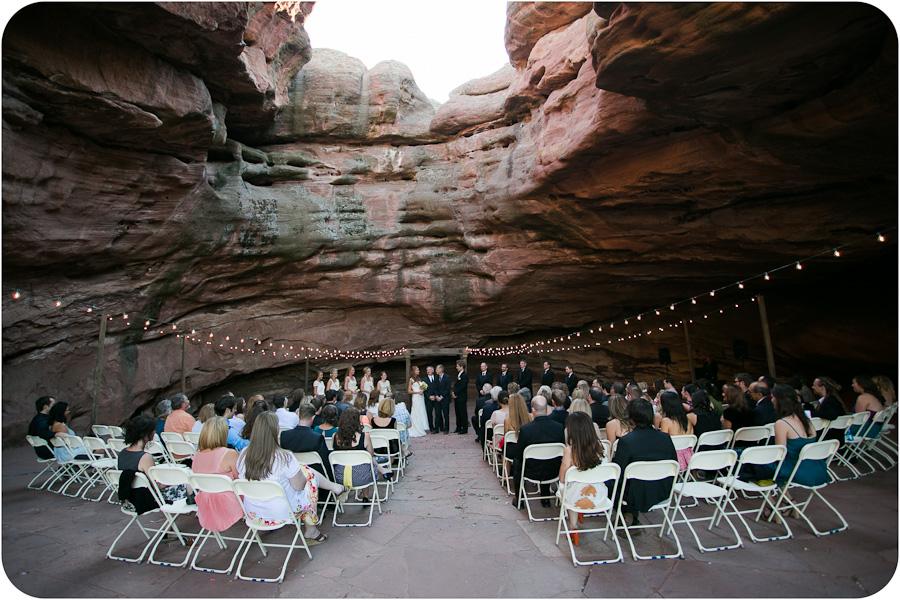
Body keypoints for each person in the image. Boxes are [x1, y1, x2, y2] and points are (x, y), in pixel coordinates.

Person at [237, 412, 342, 544]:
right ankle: (311, 530)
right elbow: (299, 487)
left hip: (254, 513)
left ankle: (335, 487)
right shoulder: (284, 457)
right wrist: (304, 476)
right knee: (310, 480)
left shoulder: (243, 455)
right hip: (281, 512)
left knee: (304, 470)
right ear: (275, 430)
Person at [613, 399, 677, 528]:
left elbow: (618, 472)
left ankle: (627, 512)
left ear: (631, 418)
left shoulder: (626, 441)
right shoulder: (665, 438)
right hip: (662, 489)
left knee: (610, 482)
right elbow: (674, 464)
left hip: (634, 494)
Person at [118, 415, 189, 513]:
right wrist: (175, 480)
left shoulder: (122, 453)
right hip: (149, 499)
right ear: (146, 434)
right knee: (190, 485)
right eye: (152, 430)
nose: (154, 432)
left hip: (131, 498)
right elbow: (157, 485)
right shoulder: (145, 457)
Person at [764, 384, 829, 488]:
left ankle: (774, 494)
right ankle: (781, 495)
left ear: (779, 400)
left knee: (754, 464)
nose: (771, 400)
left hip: (796, 470)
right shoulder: (806, 420)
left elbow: (779, 454)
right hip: (817, 469)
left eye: (772, 397)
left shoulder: (782, 423)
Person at [558, 411, 607, 545]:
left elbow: (562, 478)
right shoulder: (601, 447)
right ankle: (579, 516)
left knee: (567, 489)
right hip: (600, 497)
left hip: (575, 498)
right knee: (576, 488)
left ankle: (573, 526)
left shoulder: (569, 450)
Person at [509, 395, 564, 508]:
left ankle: (519, 499)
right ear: (547, 409)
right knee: (548, 458)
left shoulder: (526, 430)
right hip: (554, 471)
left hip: (531, 471)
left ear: (533, 410)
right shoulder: (558, 428)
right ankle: (545, 499)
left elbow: (519, 454)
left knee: (517, 461)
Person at [191, 416, 243, 531]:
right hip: (229, 504)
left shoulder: (197, 456)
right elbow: (239, 479)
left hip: (205, 503)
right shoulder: (229, 454)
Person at [331, 408, 392, 491]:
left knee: (365, 461)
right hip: (362, 478)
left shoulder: (335, 436)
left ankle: (382, 470)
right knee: (367, 460)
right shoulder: (365, 436)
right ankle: (365, 496)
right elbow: (371, 454)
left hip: (340, 477)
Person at [280, 403, 331, 479]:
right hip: (314, 476)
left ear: (298, 415)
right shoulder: (317, 438)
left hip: (292, 476)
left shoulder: (284, 435)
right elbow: (325, 462)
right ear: (313, 418)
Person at [657, 391, 695, 471]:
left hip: (673, 459)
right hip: (689, 458)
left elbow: (663, 442)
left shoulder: (666, 421)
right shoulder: (688, 419)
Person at [408, 366, 428, 438]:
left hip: (421, 397)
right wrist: (417, 392)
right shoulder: (411, 379)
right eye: (417, 370)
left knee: (421, 411)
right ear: (413, 371)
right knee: (416, 411)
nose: (419, 371)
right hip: (416, 397)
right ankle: (416, 427)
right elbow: (409, 391)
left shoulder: (419, 378)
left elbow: (421, 387)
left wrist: (423, 389)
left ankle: (422, 426)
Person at [433, 364, 451, 434]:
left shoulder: (447, 377)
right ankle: (436, 429)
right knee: (437, 414)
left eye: (437, 369)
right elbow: (435, 388)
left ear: (441, 369)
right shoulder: (436, 377)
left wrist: (441, 396)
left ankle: (446, 429)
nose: (436, 370)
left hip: (445, 399)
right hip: (437, 399)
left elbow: (447, 389)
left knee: (446, 414)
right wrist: (437, 396)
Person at [453, 360, 469, 434]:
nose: (456, 367)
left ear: (461, 366)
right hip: (457, 397)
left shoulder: (464, 375)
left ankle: (464, 428)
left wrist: (455, 393)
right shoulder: (458, 374)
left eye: (457, 366)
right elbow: (456, 385)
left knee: (463, 413)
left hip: (461, 397)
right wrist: (453, 392)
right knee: (458, 412)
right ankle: (458, 427)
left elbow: (462, 386)